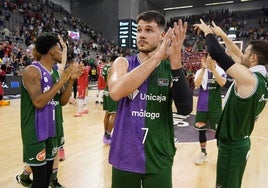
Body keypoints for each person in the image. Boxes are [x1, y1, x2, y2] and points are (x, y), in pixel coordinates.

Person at [108, 11, 193, 188]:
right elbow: (115, 92)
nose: (141, 35)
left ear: (162, 36)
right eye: (139, 30)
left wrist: (175, 59)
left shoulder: (170, 67)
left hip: (159, 154)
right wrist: (157, 57)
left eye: (148, 30)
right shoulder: (122, 62)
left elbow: (185, 108)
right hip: (125, 154)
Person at [194, 19, 268, 188]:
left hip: (232, 146)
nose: (242, 56)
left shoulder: (247, 78)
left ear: (254, 58)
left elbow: (217, 53)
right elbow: (237, 55)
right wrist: (223, 35)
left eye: (246, 54)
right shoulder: (261, 78)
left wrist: (208, 32)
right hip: (240, 141)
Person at [19, 33, 83, 188]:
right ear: (52, 51)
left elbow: (62, 101)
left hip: (51, 130)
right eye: (60, 48)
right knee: (40, 181)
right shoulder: (32, 71)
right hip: (34, 133)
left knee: (47, 178)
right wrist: (62, 80)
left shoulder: (54, 72)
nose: (62, 52)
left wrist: (71, 81)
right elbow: (38, 102)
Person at [194, 55, 226, 165]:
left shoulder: (220, 71)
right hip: (202, 107)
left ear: (215, 60)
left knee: (219, 133)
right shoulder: (200, 71)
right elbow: (197, 84)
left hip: (215, 108)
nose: (209, 60)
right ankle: (203, 153)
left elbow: (222, 83)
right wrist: (203, 69)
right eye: (208, 57)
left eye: (212, 58)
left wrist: (213, 69)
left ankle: (222, 156)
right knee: (201, 130)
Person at [102, 54, 118, 145]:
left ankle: (105, 134)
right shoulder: (113, 68)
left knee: (107, 113)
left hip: (105, 91)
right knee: (114, 114)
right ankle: (107, 135)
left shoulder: (105, 67)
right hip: (112, 90)